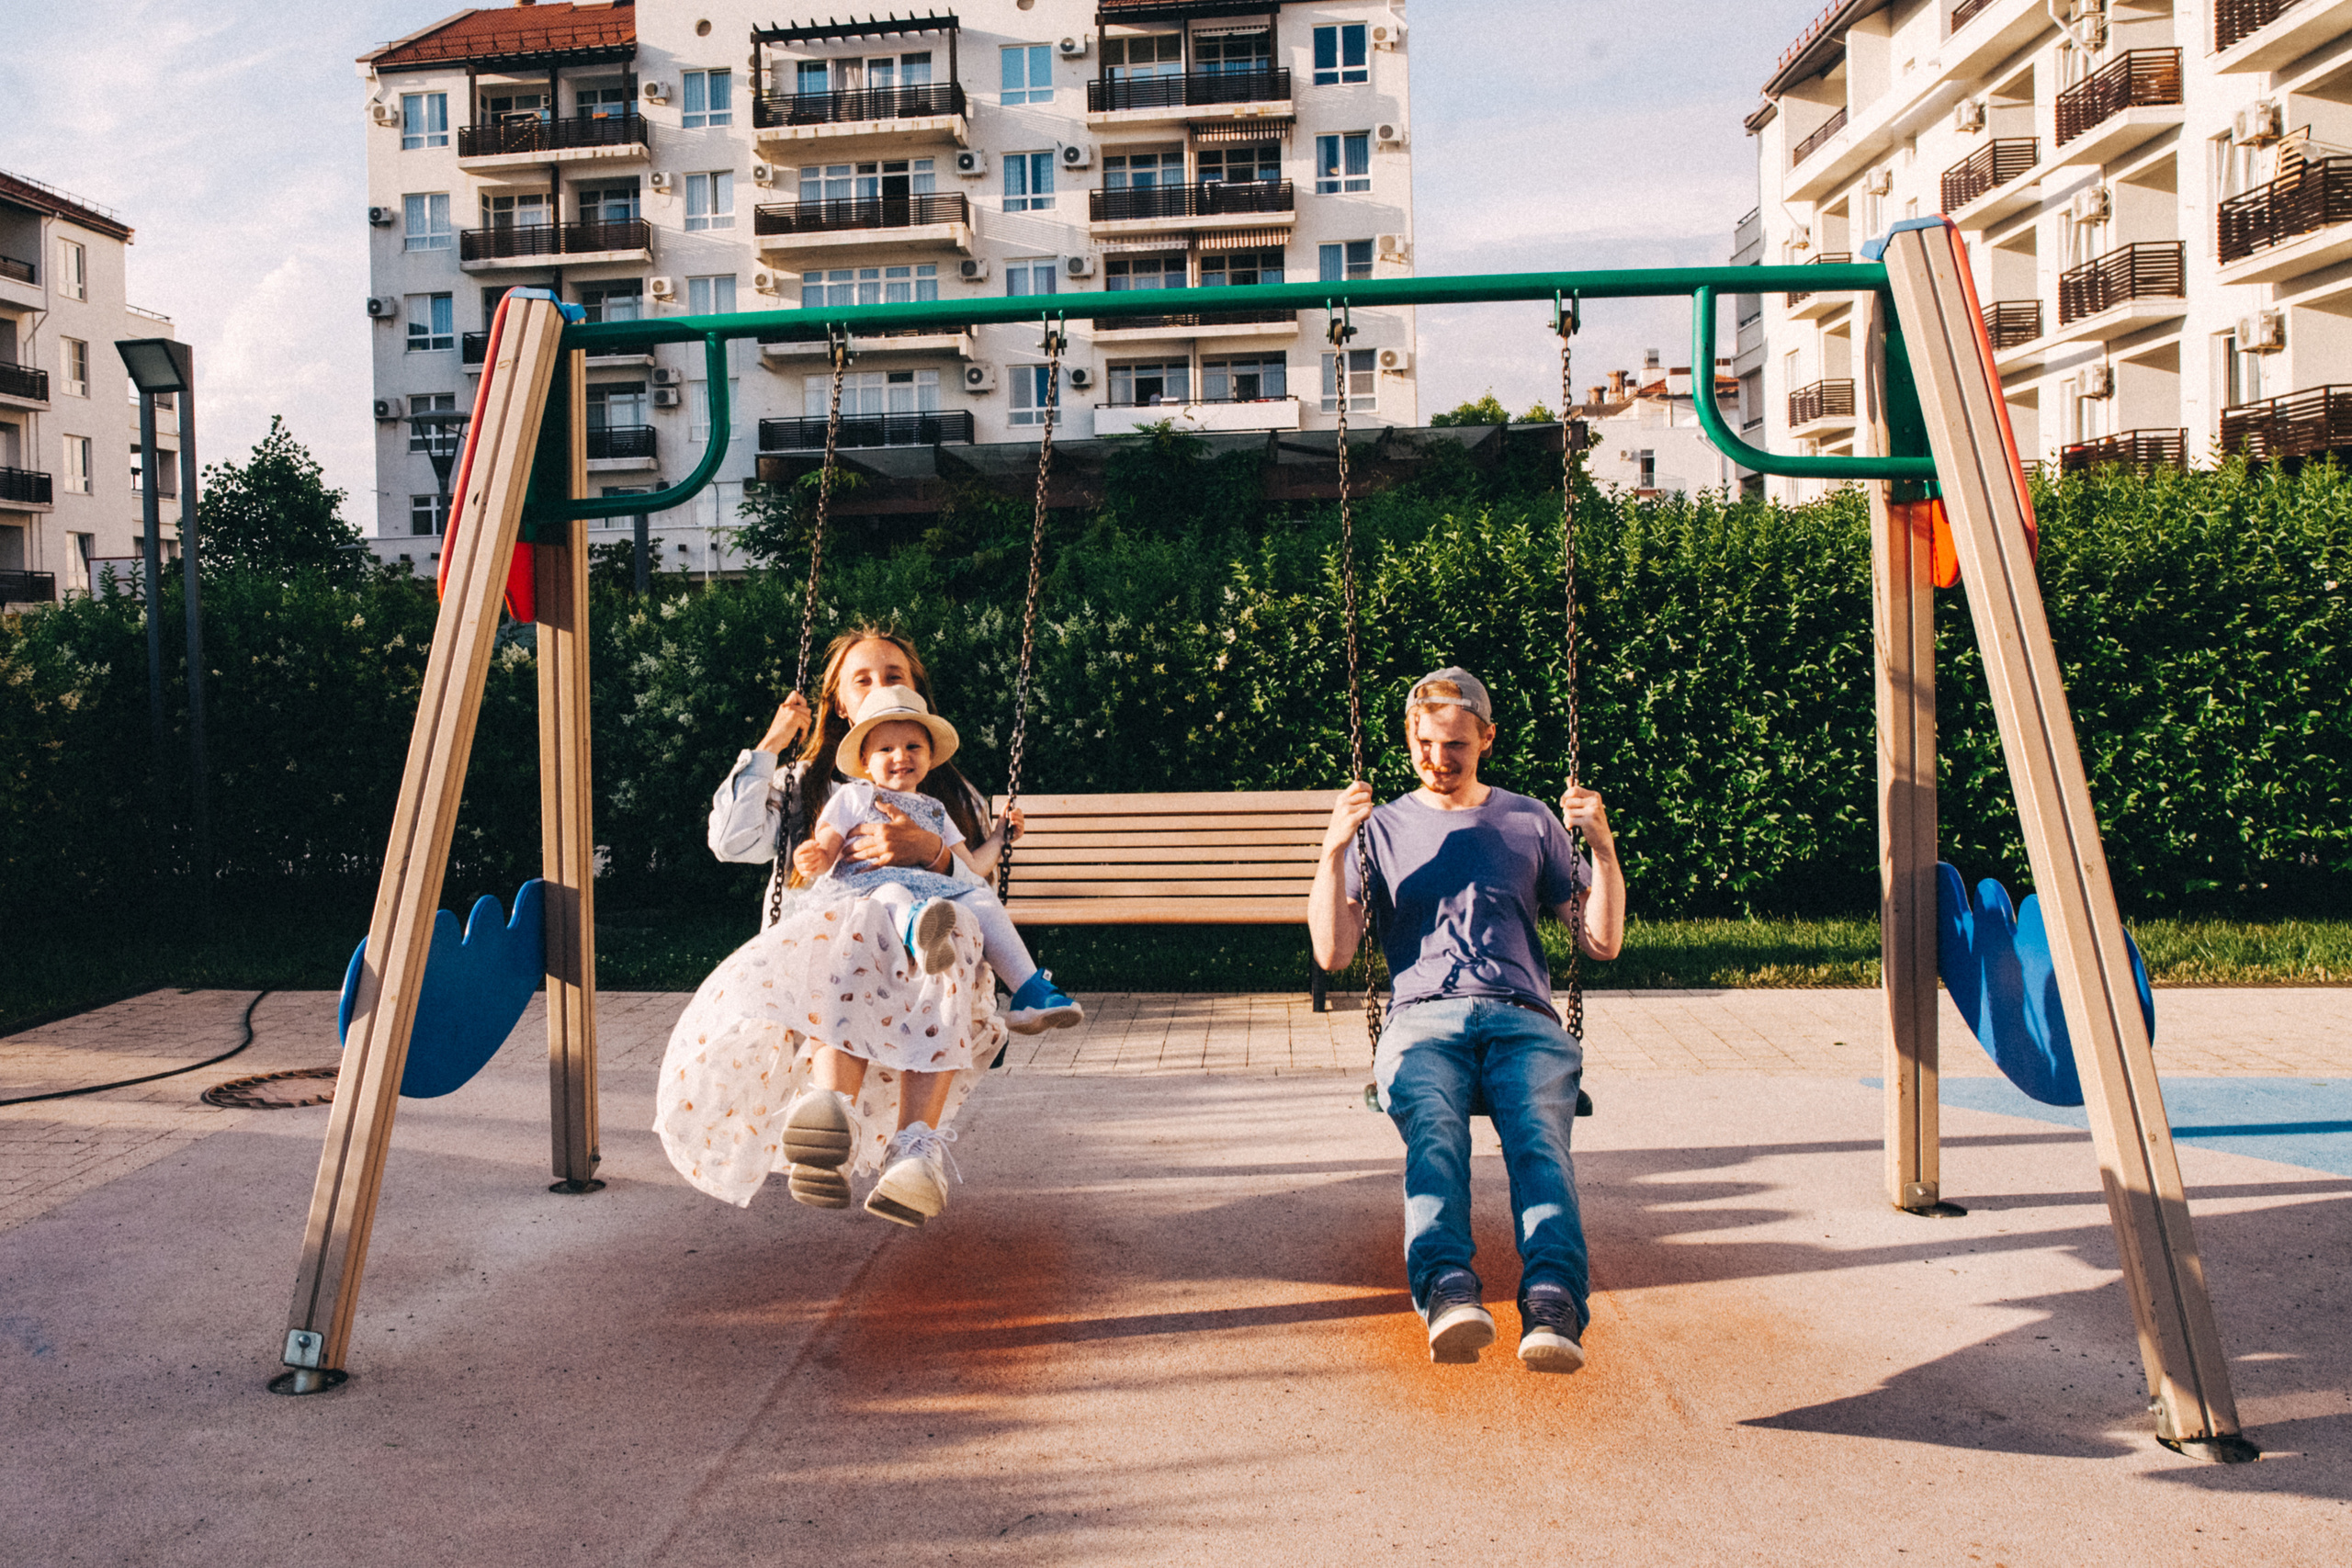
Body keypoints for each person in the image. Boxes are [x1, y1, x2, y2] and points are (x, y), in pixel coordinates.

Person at [657, 626, 1074, 1227]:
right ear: (841, 707)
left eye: (894, 676)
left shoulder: (945, 791)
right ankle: (831, 1116)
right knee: (856, 935)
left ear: (919, 702)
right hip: (836, 965)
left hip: (931, 970)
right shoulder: (804, 786)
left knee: (953, 927)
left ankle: (913, 1153)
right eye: (864, 679)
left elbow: (972, 878)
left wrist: (933, 849)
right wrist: (773, 743)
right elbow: (730, 842)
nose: (881, 687)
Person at [1307, 667, 1624, 1372]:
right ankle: (1449, 1291)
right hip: (1422, 1019)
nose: (1438, 759)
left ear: (1486, 737)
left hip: (1524, 1018)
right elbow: (1332, 952)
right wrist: (1333, 850)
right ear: (1408, 738)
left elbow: (1600, 941)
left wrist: (1602, 848)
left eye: (1455, 745)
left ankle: (1552, 1299)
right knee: (1437, 1132)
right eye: (1424, 743)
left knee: (1540, 1137)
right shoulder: (1381, 828)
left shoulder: (1528, 818)